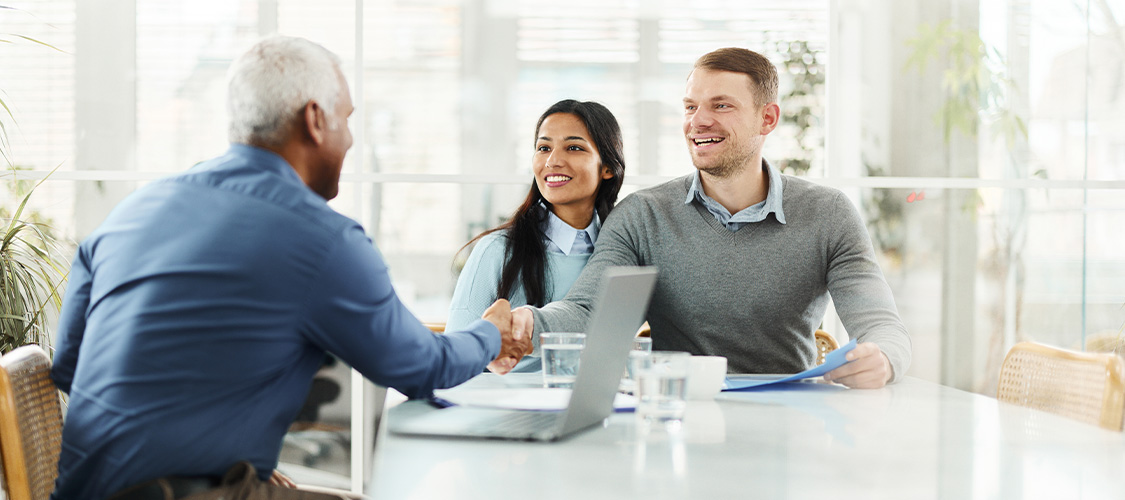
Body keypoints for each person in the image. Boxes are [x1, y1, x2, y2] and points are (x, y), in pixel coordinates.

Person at [49, 35, 529, 500]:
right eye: (347, 118)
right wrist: (491, 333)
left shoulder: (134, 210)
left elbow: (70, 369)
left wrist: (222, 454)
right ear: (315, 119)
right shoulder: (322, 239)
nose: (351, 139)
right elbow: (420, 367)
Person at [516, 47, 911, 389]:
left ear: (767, 119)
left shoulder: (829, 213)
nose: (698, 121)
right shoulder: (642, 215)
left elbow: (881, 324)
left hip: (790, 421)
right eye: (691, 107)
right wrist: (526, 323)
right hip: (679, 412)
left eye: (721, 105)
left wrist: (884, 358)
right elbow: (588, 311)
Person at [446, 100, 625, 339]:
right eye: (543, 148)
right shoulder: (496, 250)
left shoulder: (620, 251)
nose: (552, 161)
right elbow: (458, 355)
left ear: (608, 168)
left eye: (573, 148)